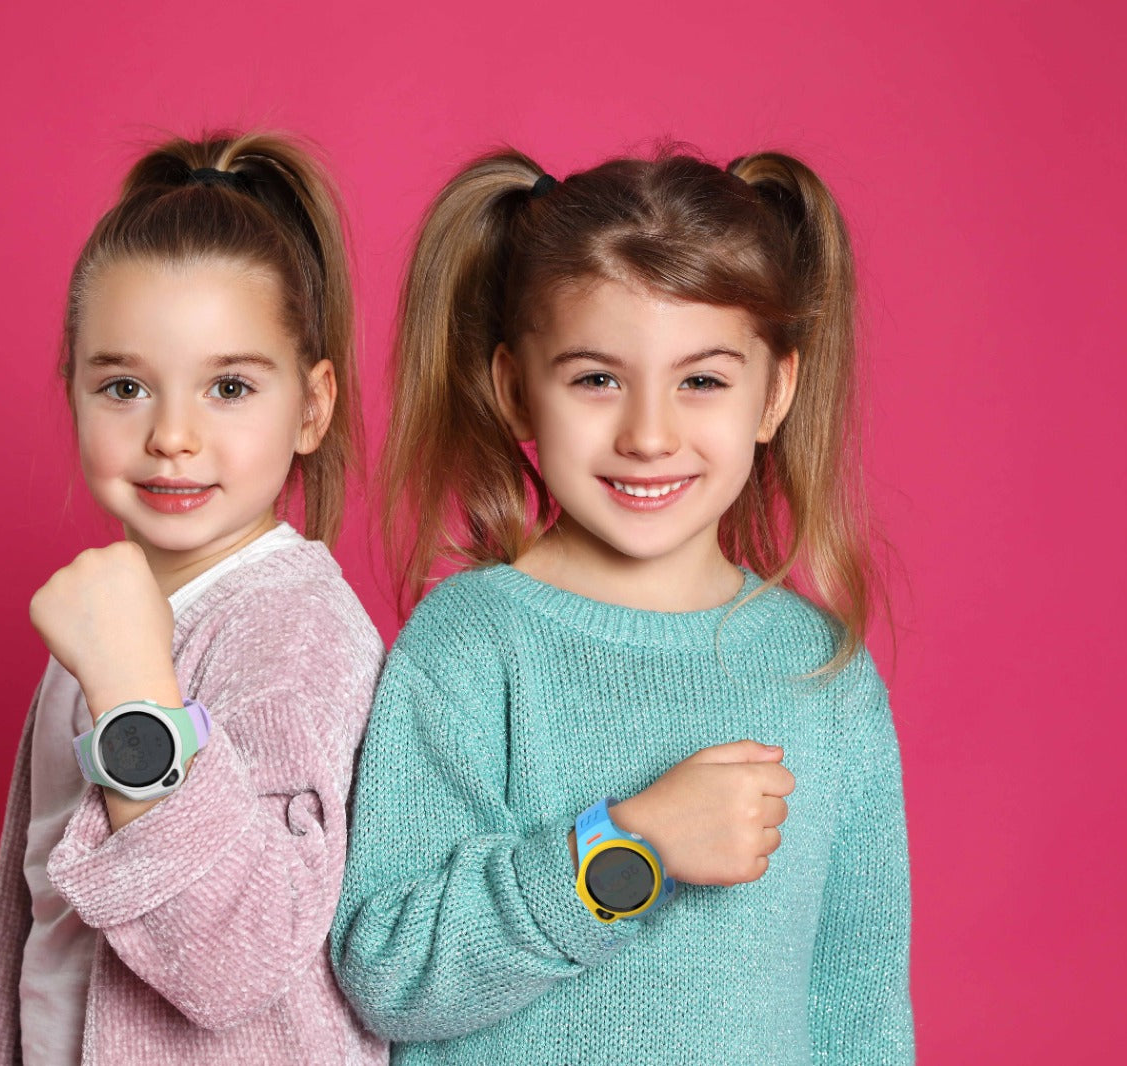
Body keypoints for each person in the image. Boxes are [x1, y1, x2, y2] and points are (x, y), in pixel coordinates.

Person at [330, 147, 913, 1064]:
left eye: (702, 380)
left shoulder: (825, 676)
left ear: (775, 394)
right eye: (597, 379)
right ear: (517, 391)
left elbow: (861, 1014)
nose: (648, 435)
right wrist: (627, 848)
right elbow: (389, 970)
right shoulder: (472, 643)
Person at [0, 131, 387, 1066]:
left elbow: (237, 961)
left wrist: (133, 695)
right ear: (72, 392)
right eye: (124, 386)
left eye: (229, 387)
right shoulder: (106, 620)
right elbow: (42, 943)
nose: (172, 437)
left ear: (312, 407)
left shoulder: (296, 630)